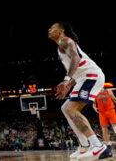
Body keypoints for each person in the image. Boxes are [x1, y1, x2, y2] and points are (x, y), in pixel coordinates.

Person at [48, 22, 112, 159]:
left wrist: (66, 80)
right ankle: (84, 145)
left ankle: (98, 146)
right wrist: (69, 84)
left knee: (72, 109)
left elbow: (76, 59)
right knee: (66, 108)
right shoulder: (60, 45)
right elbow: (78, 67)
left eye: (52, 28)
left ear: (61, 31)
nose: (49, 30)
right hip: (83, 77)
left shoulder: (65, 40)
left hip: (91, 76)